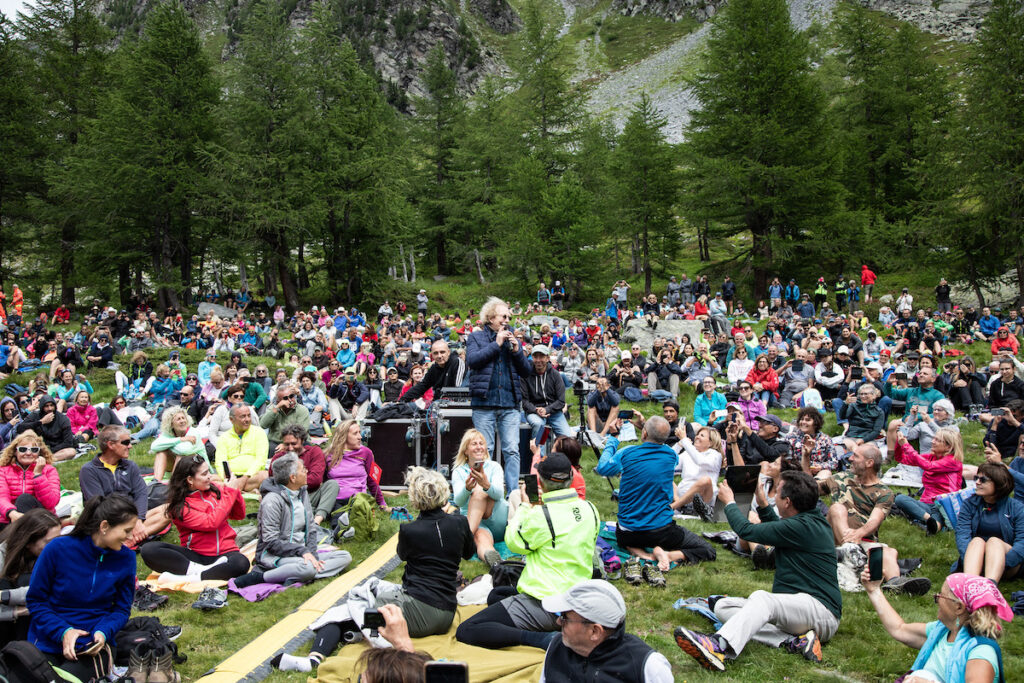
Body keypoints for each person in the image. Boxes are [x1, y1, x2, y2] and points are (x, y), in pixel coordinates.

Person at [274, 467, 474, 673]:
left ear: (415, 497)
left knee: (352, 604)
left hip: (418, 611)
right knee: (371, 590)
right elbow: (469, 553)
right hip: (446, 612)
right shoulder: (459, 522)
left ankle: (327, 653)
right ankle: (351, 634)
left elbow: (403, 554)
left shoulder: (410, 530)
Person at [674, 471, 841, 671]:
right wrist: (762, 503)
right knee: (723, 607)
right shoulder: (805, 521)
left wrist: (730, 503)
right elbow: (778, 527)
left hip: (821, 613)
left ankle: (719, 646)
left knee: (762, 599)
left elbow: (747, 531)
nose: (773, 496)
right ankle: (793, 641)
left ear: (786, 502)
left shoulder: (803, 526)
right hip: (800, 610)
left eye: (776, 493)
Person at [456, 453, 599, 650]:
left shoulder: (541, 515)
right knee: (496, 595)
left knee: (467, 629)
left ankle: (540, 639)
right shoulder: (590, 508)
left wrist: (524, 505)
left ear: (541, 481)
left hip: (546, 602)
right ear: (571, 478)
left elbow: (513, 542)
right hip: (578, 596)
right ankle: (553, 627)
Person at [27, 494, 138, 680]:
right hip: (47, 639)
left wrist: (103, 632)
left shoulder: (126, 558)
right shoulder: (57, 549)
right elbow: (36, 600)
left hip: (93, 645)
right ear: (104, 526)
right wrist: (63, 632)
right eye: (126, 530)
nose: (131, 537)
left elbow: (121, 609)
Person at [595, 416, 716, 584]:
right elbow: (655, 448)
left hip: (627, 533)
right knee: (707, 549)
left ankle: (642, 554)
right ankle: (668, 554)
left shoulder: (627, 453)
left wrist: (613, 439)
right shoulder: (670, 456)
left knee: (626, 538)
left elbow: (603, 468)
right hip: (661, 532)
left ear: (643, 433)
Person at [861, 571, 1008, 683]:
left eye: (941, 596)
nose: (936, 598)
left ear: (959, 608)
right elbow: (899, 629)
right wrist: (874, 590)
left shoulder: (981, 652)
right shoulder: (942, 631)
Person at [234, 452, 351, 588]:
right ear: (293, 478)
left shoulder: (302, 492)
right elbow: (271, 543)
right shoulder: (272, 501)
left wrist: (313, 555)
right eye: (303, 470)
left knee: (344, 556)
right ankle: (261, 577)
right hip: (277, 555)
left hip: (302, 554)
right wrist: (302, 552)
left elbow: (311, 529)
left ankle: (296, 574)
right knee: (307, 568)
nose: (307, 471)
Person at [140, 455, 250, 582]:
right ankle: (201, 572)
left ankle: (195, 576)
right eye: (204, 474)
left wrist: (234, 492)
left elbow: (239, 515)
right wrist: (229, 493)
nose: (209, 476)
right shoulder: (180, 506)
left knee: (242, 563)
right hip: (196, 556)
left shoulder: (214, 489)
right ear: (190, 480)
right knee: (149, 550)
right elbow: (210, 523)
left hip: (227, 552)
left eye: (208, 471)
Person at [539, 579, 673, 683]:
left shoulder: (648, 667)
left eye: (564, 618)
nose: (558, 622)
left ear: (595, 631)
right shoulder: (556, 647)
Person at [467, 298, 533, 495]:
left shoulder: (513, 339)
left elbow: (526, 371)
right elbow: (473, 361)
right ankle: (488, 492)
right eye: (503, 316)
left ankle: (512, 492)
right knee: (484, 451)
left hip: (510, 403)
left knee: (512, 450)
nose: (507, 320)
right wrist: (496, 344)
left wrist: (517, 351)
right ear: (490, 318)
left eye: (509, 317)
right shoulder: (476, 338)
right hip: (484, 403)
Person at [79, 426, 167, 543]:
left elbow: (141, 493)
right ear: (111, 445)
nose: (130, 446)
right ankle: (130, 538)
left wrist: (139, 519)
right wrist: (130, 521)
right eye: (126, 442)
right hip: (107, 521)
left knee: (169, 510)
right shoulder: (89, 470)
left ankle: (126, 540)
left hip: (133, 516)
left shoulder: (130, 466)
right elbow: (100, 506)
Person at [955, 462, 1024, 584]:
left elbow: (1022, 542)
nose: (977, 482)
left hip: (1007, 563)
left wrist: (1001, 562)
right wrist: (977, 561)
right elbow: (962, 535)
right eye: (976, 478)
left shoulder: (1017, 507)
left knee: (994, 542)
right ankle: (971, 585)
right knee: (977, 541)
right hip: (975, 558)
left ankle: (990, 585)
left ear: (998, 484)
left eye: (983, 480)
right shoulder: (969, 504)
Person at [0, 509, 61, 644]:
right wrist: (15, 612)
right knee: (4, 581)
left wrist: (5, 596)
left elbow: (53, 589)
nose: (56, 546)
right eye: (49, 542)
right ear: (28, 542)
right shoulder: (3, 555)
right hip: (7, 623)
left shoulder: (57, 553)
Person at [451, 429, 507, 568]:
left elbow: (499, 494)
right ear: (466, 451)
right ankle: (495, 561)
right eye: (474, 444)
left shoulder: (494, 467)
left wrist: (485, 485)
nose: (479, 447)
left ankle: (465, 539)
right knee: (481, 537)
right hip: (476, 523)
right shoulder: (458, 472)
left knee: (479, 492)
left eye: (481, 443)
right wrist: (467, 489)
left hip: (496, 517)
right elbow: (458, 502)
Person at [892, 428, 964, 535]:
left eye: (937, 440)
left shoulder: (953, 461)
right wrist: (899, 443)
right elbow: (901, 458)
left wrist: (906, 445)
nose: (932, 441)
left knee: (935, 514)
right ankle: (930, 521)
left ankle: (928, 522)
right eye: (933, 438)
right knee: (900, 498)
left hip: (942, 505)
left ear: (948, 446)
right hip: (926, 503)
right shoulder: (931, 457)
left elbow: (928, 466)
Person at [324, 420, 387, 541]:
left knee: (360, 517)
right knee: (337, 516)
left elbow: (372, 480)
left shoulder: (366, 452)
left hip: (358, 496)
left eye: (360, 432)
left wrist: (382, 503)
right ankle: (340, 533)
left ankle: (349, 529)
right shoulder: (328, 455)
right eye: (355, 433)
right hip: (336, 498)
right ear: (343, 436)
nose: (360, 436)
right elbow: (324, 482)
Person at [0, 433, 61, 525]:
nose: (28, 453)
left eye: (34, 450)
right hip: (10, 518)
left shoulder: (49, 470)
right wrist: (12, 513)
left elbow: (51, 503)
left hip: (40, 519)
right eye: (23, 449)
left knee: (25, 499)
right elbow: (2, 497)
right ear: (15, 452)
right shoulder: (3, 471)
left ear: (39, 453)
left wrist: (38, 475)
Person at [520, 345, 571, 443]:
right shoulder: (526, 375)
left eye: (541, 356)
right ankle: (540, 456)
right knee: (539, 426)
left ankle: (561, 457)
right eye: (536, 357)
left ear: (547, 358)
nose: (538, 360)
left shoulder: (556, 375)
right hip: (534, 412)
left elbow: (561, 401)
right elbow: (524, 401)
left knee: (567, 438)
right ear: (532, 357)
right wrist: (536, 410)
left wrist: (547, 409)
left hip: (554, 413)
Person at [214, 405, 269, 492]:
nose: (247, 420)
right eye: (243, 416)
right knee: (209, 478)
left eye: (249, 415)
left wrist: (245, 477)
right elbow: (220, 462)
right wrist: (226, 478)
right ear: (232, 420)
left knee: (265, 476)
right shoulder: (224, 437)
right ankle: (242, 490)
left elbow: (261, 460)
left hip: (251, 477)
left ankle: (230, 489)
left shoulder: (259, 432)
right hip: (230, 477)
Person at [150, 405, 207, 482]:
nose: (182, 421)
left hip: (197, 467)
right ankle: (156, 481)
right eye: (178, 419)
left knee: (181, 456)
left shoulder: (193, 432)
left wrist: (168, 445)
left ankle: (173, 484)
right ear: (171, 424)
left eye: (183, 418)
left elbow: (184, 450)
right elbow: (154, 446)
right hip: (174, 467)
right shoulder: (168, 434)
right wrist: (181, 439)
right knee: (161, 451)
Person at [399, 340, 466, 404]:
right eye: (436, 353)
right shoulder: (433, 368)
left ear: (448, 352)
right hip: (438, 403)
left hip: (455, 404)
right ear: (432, 355)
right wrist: (402, 400)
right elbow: (422, 385)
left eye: (442, 352)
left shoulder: (457, 362)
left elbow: (458, 388)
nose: (439, 356)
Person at [15, 396, 75, 462]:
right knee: (28, 430)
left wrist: (49, 450)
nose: (50, 408)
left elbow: (68, 442)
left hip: (56, 449)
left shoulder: (63, 419)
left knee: (71, 452)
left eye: (51, 405)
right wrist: (41, 422)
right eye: (46, 406)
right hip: (38, 448)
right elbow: (20, 429)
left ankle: (46, 459)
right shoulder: (35, 415)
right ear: (42, 407)